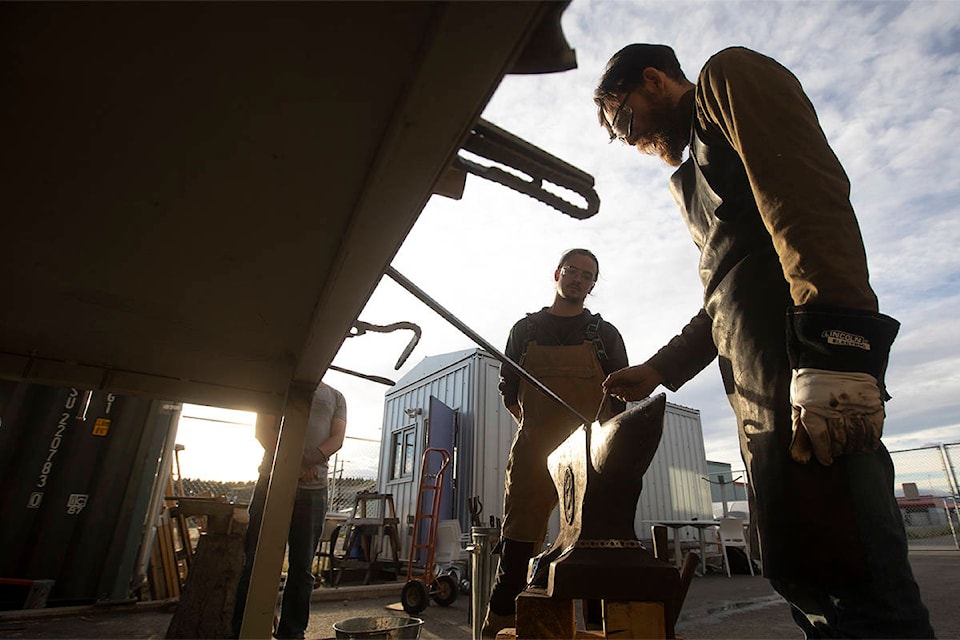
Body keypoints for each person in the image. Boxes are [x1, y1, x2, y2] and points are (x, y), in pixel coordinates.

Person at [594, 44, 933, 637]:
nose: (626, 139)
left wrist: (838, 355)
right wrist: (656, 369)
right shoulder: (692, 180)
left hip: (814, 386)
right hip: (761, 405)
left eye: (621, 119)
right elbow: (726, 295)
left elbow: (806, 203)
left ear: (652, 81)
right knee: (805, 581)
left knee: (860, 586)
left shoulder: (728, 81)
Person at [482, 248, 629, 638]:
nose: (578, 279)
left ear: (593, 285)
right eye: (572, 271)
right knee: (516, 552)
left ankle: (598, 633)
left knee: (594, 553)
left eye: (587, 275)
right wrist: (535, 430)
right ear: (557, 274)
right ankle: (500, 629)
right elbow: (508, 391)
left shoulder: (604, 335)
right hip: (533, 455)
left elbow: (620, 396)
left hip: (590, 456)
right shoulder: (525, 330)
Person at [231, 381, 347, 639]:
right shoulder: (278, 385)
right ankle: (243, 632)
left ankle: (292, 633)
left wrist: (306, 460)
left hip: (313, 491)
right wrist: (290, 462)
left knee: (302, 569)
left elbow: (337, 438)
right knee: (256, 563)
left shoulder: (336, 397)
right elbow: (263, 429)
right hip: (272, 485)